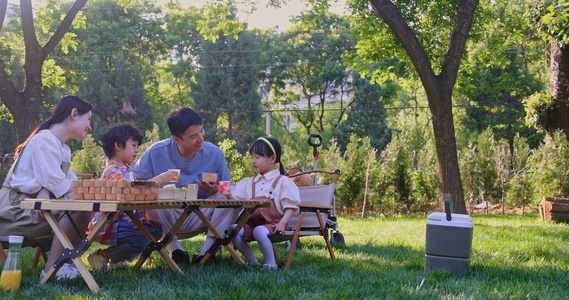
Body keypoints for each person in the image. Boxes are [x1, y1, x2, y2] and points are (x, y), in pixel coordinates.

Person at [0, 96, 93, 280]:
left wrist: (46, 190)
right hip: (14, 213)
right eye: (89, 119)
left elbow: (66, 184)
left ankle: (65, 264)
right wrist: (47, 189)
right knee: (78, 201)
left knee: (84, 201)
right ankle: (53, 268)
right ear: (74, 114)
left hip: (36, 210)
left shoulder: (63, 150)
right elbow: (59, 184)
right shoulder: (44, 140)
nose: (90, 127)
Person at [132, 107, 239, 264]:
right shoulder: (156, 152)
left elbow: (226, 187)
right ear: (177, 139)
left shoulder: (215, 153)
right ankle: (176, 250)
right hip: (166, 214)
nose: (201, 139)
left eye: (201, 131)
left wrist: (214, 189)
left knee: (231, 194)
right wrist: (158, 181)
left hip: (201, 213)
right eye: (194, 136)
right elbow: (134, 184)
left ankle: (206, 253)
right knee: (149, 193)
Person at [87, 122, 177, 271]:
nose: (137, 150)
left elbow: (135, 198)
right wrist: (158, 179)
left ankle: (117, 259)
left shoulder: (127, 171)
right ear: (118, 145)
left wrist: (143, 219)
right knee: (142, 238)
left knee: (155, 231)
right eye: (134, 145)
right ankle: (103, 255)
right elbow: (130, 192)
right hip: (108, 224)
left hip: (124, 223)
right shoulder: (112, 171)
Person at [220, 137, 300, 269]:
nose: (253, 161)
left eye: (257, 157)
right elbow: (237, 201)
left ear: (272, 159)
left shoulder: (282, 181)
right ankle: (253, 262)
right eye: (252, 157)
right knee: (233, 230)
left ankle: (271, 264)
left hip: (274, 224)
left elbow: (290, 206)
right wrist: (228, 194)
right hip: (252, 223)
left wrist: (282, 223)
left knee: (259, 231)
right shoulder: (250, 182)